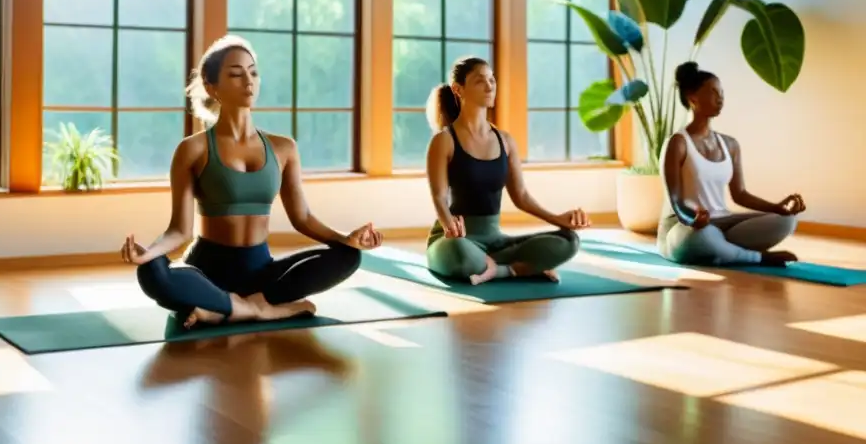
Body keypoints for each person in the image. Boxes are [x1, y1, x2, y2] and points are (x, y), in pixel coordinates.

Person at [120, 35, 383, 328]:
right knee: (150, 272)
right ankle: (256, 308)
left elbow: (303, 218)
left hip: (261, 272)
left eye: (253, 72)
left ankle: (227, 308)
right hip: (207, 272)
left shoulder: (284, 148)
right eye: (235, 74)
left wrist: (346, 239)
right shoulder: (192, 150)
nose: (248, 80)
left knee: (349, 257)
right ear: (212, 86)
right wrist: (149, 253)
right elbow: (179, 230)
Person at [423, 56, 588, 285]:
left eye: (492, 79)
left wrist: (559, 220)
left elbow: (521, 197)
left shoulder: (506, 141)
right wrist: (449, 224)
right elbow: (439, 196)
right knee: (458, 252)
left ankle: (492, 267)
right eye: (480, 81)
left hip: (496, 242)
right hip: (456, 240)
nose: (490, 85)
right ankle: (513, 270)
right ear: (458, 89)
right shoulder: (444, 141)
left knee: (569, 241)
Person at [658, 61, 804, 267]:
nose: (720, 98)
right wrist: (693, 219)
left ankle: (723, 250)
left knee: (786, 220)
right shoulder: (678, 143)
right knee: (702, 236)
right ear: (692, 98)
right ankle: (756, 257)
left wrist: (777, 207)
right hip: (684, 228)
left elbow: (740, 194)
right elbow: (677, 202)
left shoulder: (730, 144)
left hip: (722, 224)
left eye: (722, 93)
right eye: (713, 92)